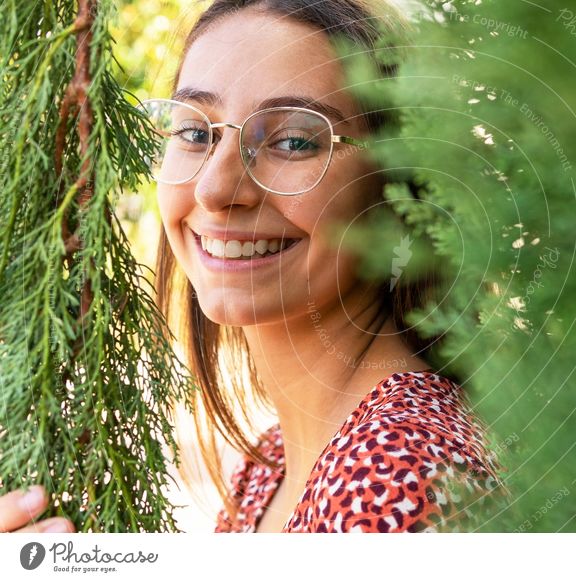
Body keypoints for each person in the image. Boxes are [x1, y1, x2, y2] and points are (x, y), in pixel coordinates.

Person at [0, 0, 507, 534]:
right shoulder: (274, 464)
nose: (215, 189)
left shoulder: (398, 480)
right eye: (195, 133)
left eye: (293, 141)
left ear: (398, 188)